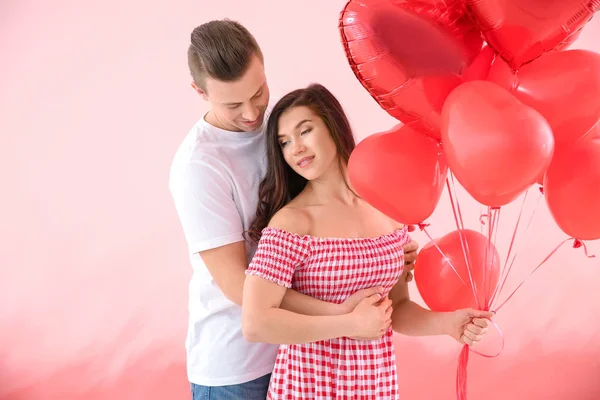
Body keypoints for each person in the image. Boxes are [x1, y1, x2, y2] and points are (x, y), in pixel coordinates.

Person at [169, 20, 419, 400]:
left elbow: (324, 219)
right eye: (233, 105)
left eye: (258, 92)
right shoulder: (199, 167)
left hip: (306, 354)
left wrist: (381, 254)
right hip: (238, 364)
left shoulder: (282, 130)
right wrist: (342, 316)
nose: (252, 113)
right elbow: (240, 286)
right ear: (199, 92)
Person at [242, 83, 494, 400]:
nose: (296, 149)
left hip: (374, 385)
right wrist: (348, 324)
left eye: (304, 131)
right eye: (284, 142)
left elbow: (397, 308)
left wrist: (448, 324)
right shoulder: (293, 222)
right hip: (311, 386)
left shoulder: (388, 209)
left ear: (332, 126)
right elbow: (256, 322)